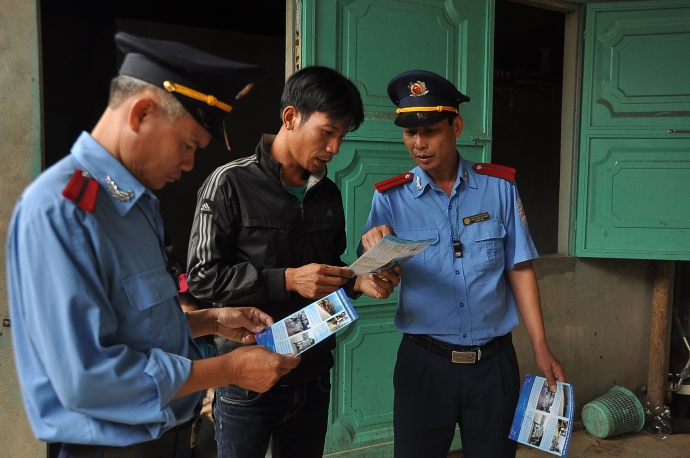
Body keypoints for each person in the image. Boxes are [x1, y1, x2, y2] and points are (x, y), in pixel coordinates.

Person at [6, 32, 300, 458]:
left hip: (172, 439)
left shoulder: (136, 203)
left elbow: (135, 325)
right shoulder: (62, 210)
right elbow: (87, 378)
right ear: (141, 112)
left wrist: (212, 321)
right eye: (187, 145)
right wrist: (228, 369)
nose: (189, 164)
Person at [186, 65, 401, 458]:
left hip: (313, 377)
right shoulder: (229, 183)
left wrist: (358, 282)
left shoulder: (329, 194)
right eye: (327, 132)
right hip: (246, 377)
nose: (335, 148)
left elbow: (327, 270)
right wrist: (285, 280)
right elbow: (202, 279)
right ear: (290, 118)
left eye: (342, 136)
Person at [359, 70, 566, 458]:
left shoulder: (499, 187)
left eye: (431, 131)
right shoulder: (390, 198)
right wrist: (374, 259)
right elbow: (375, 271)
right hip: (424, 365)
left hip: (494, 365)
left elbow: (518, 268)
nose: (419, 144)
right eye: (409, 133)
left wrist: (541, 345)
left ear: (456, 126)